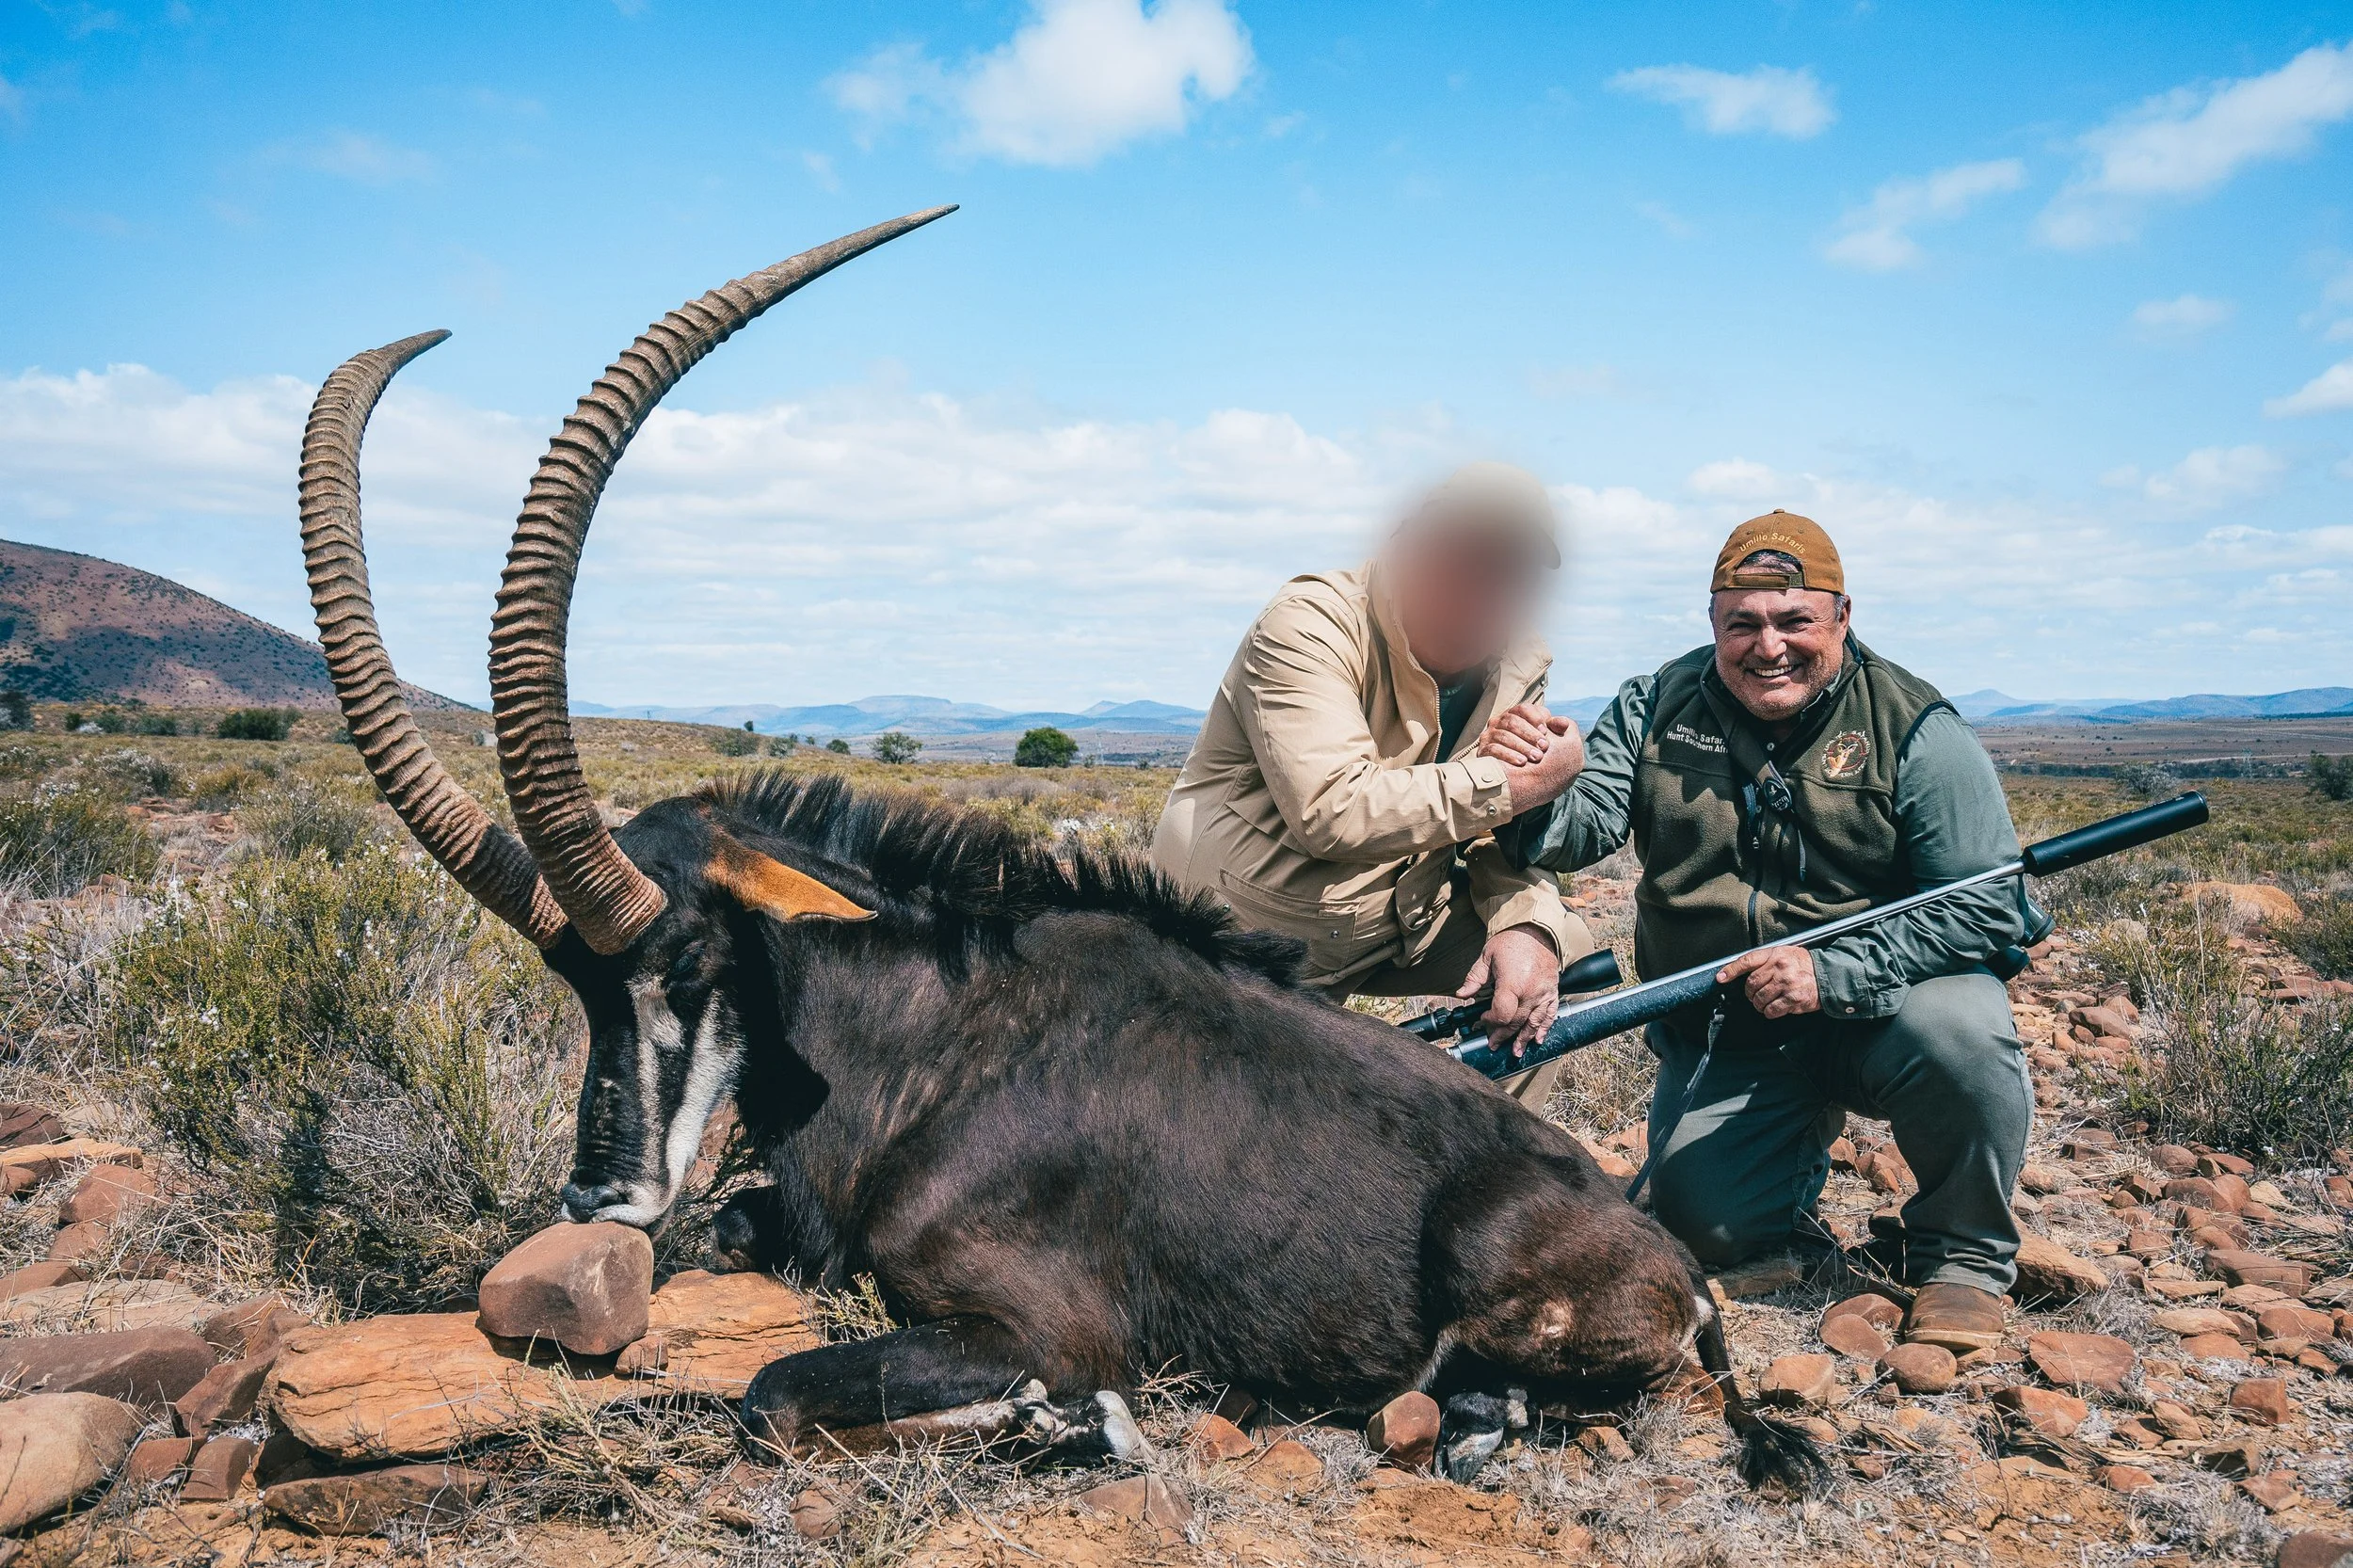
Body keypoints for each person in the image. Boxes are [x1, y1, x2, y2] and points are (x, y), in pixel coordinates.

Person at [1481, 510, 2038, 1352]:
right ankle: (1784, 1179)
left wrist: (1836, 972)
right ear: (1713, 625)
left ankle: (1962, 1259)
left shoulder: (1918, 726)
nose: (1768, 645)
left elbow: (1989, 906)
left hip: (1880, 1015)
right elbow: (1584, 822)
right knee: (1699, 1236)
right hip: (1728, 1033)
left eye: (1794, 620)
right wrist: (1531, 784)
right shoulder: (1656, 702)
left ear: (1842, 617)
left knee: (1962, 1028)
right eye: (1742, 623)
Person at [1150, 462, 1593, 1109]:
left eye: (1509, 569)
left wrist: (1526, 923)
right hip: (1235, 942)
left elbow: (1497, 832)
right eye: (1464, 558)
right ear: (1406, 544)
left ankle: (1456, 1175)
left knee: (1559, 952)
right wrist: (1521, 782)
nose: (1484, 586)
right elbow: (1334, 810)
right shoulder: (1311, 621)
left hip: (1397, 922)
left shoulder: (1519, 662)